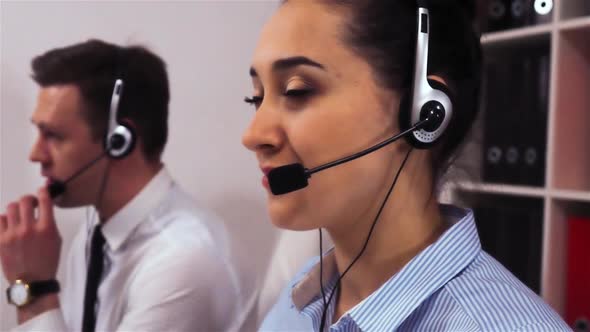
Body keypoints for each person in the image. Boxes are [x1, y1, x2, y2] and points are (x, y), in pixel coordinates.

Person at [242, 0, 570, 331]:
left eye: (297, 91)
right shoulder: (299, 303)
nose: (253, 135)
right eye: (256, 99)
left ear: (423, 113)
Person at [0, 39, 241, 331]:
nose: (35, 154)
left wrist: (34, 288)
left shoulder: (183, 261)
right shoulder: (95, 229)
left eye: (53, 136)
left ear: (120, 142)